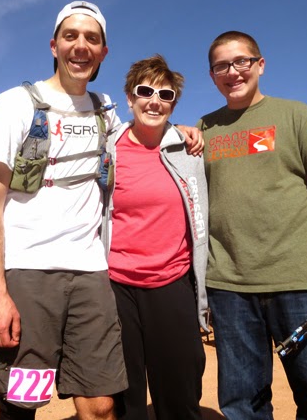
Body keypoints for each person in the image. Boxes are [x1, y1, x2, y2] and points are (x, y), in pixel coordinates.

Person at [0, 1, 203, 420]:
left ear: (103, 52)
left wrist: (180, 131)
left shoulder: (105, 111)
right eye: (71, 36)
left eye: (92, 39)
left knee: (101, 404)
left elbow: (145, 130)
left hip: (92, 276)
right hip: (30, 274)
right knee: (23, 400)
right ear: (54, 45)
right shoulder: (15, 103)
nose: (81, 46)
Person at [198, 31, 307, 419]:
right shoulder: (204, 129)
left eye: (241, 61)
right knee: (242, 407)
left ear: (260, 65)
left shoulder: (296, 115)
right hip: (229, 287)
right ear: (212, 75)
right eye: (221, 66)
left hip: (297, 282)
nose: (232, 72)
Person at [101, 55, 209, 420]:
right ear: (129, 98)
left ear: (174, 104)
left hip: (172, 282)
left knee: (180, 394)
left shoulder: (188, 149)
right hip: (117, 287)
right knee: (124, 397)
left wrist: (184, 131)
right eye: (145, 91)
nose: (154, 101)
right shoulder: (107, 148)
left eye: (165, 94)